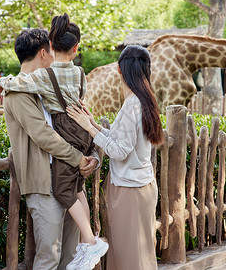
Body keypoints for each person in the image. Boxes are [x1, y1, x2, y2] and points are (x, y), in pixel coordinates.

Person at [0, 14, 108, 270]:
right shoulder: (16, 92)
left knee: (70, 256)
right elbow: (43, 135)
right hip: (43, 184)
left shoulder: (47, 85)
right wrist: (78, 159)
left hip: (65, 176)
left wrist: (86, 155)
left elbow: (74, 121)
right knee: (49, 257)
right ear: (43, 53)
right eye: (50, 48)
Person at [67, 45, 164, 270]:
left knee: (130, 256)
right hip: (139, 186)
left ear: (119, 70)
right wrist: (92, 122)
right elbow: (121, 140)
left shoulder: (132, 105)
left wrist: (89, 130)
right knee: (138, 253)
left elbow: (119, 151)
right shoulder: (143, 100)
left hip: (130, 189)